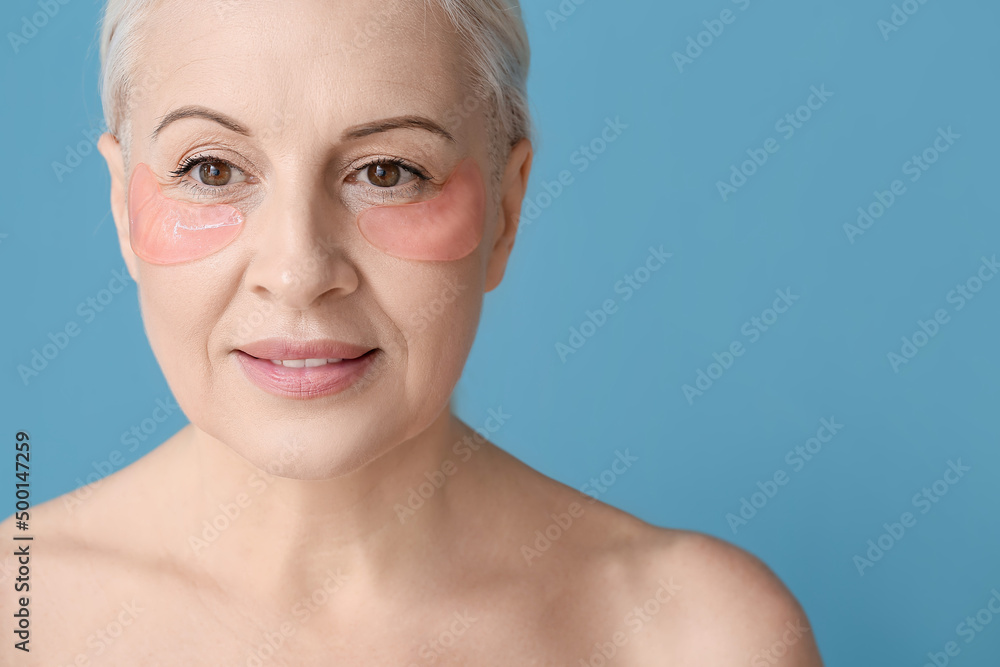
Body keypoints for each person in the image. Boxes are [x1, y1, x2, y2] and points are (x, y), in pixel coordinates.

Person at [1, 0, 824, 664]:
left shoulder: (700, 640)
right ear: (121, 204)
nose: (297, 269)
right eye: (211, 170)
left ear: (505, 209)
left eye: (387, 172)